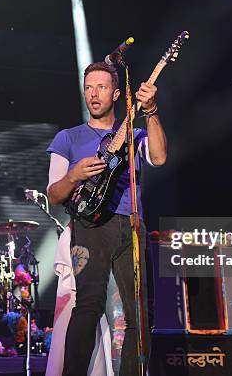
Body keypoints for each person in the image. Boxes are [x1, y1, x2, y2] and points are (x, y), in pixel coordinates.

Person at [47, 62, 167, 375]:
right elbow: (54, 194)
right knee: (88, 305)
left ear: (116, 94)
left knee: (137, 311)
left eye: (101, 87)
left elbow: (159, 157)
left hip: (130, 225)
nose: (93, 94)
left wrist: (152, 111)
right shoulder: (67, 138)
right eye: (89, 88)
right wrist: (73, 175)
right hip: (89, 228)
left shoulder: (134, 134)